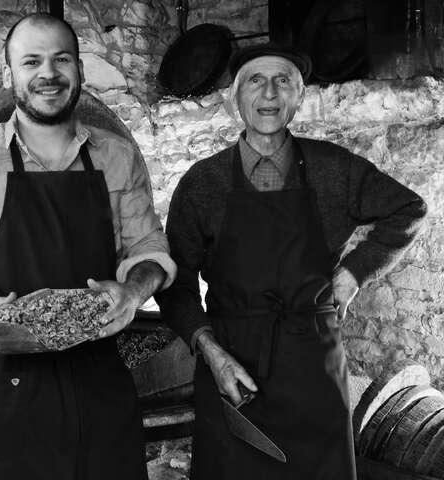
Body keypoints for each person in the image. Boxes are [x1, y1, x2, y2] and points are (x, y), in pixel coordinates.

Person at [0, 13, 176, 480]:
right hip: (8, 390)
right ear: (10, 75)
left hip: (98, 379)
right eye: (31, 61)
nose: (48, 73)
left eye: (61, 59)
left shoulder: (117, 156)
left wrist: (134, 291)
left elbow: (147, 243)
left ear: (79, 71)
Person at [156, 43, 427, 480]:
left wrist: (354, 274)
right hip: (231, 366)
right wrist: (209, 350)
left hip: (311, 366)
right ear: (235, 98)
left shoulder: (334, 169)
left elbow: (409, 209)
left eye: (282, 81)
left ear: (298, 97)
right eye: (255, 81)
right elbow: (177, 283)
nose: (269, 93)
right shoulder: (202, 183)